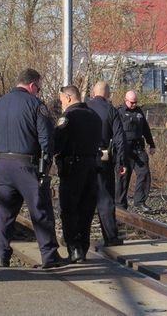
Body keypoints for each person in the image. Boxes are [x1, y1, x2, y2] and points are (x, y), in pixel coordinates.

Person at [0, 68, 68, 268]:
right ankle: (49, 255)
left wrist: (5, 149)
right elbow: (46, 139)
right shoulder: (36, 105)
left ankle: (2, 255)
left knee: (5, 213)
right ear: (32, 85)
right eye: (38, 88)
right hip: (27, 165)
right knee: (40, 210)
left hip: (3, 164)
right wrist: (46, 163)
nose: (38, 92)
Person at [53, 85, 102, 262]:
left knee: (69, 209)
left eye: (61, 101)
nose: (61, 105)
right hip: (92, 167)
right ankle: (83, 247)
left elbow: (57, 143)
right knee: (86, 209)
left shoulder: (68, 117)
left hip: (72, 167)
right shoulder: (94, 116)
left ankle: (74, 249)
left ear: (68, 98)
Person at [86, 81, 127, 247]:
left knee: (84, 198)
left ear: (93, 92)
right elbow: (119, 139)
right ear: (108, 94)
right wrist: (121, 162)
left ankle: (80, 239)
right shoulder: (111, 111)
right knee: (105, 199)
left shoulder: (83, 108)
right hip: (103, 159)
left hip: (83, 159)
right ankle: (110, 237)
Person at [117, 90, 157, 212]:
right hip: (125, 149)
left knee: (144, 173)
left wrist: (152, 144)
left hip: (138, 147)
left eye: (135, 102)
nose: (134, 105)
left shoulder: (139, 112)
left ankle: (140, 201)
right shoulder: (119, 112)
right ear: (126, 100)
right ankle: (120, 204)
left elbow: (146, 129)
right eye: (132, 103)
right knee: (123, 176)